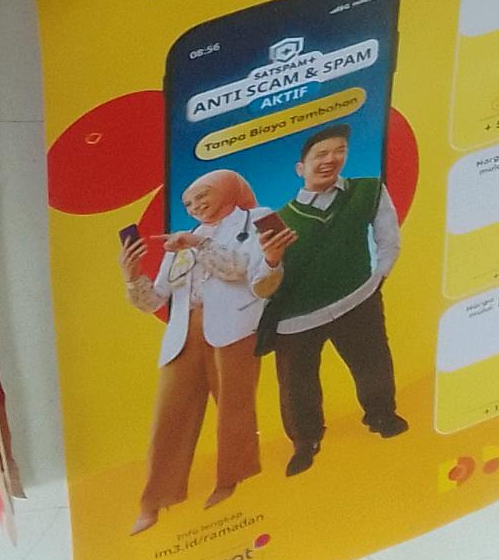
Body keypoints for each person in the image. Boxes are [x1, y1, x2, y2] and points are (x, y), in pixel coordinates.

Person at [122, 168, 288, 533]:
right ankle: (154, 500)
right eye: (188, 203)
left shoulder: (258, 219)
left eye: (202, 196)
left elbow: (244, 271)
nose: (195, 206)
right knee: (168, 416)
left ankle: (232, 478)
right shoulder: (186, 238)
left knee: (234, 407)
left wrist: (199, 245)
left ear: (227, 190)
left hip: (235, 328)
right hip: (185, 332)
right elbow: (156, 300)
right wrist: (133, 276)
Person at [258, 125, 405, 476]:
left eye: (339, 151)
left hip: (358, 300)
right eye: (320, 154)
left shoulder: (367, 190)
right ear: (300, 167)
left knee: (372, 362)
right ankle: (305, 442)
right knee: (297, 384)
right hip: (296, 318)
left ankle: (381, 415)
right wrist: (271, 259)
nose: (331, 159)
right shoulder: (277, 220)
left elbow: (389, 238)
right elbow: (262, 282)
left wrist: (378, 278)